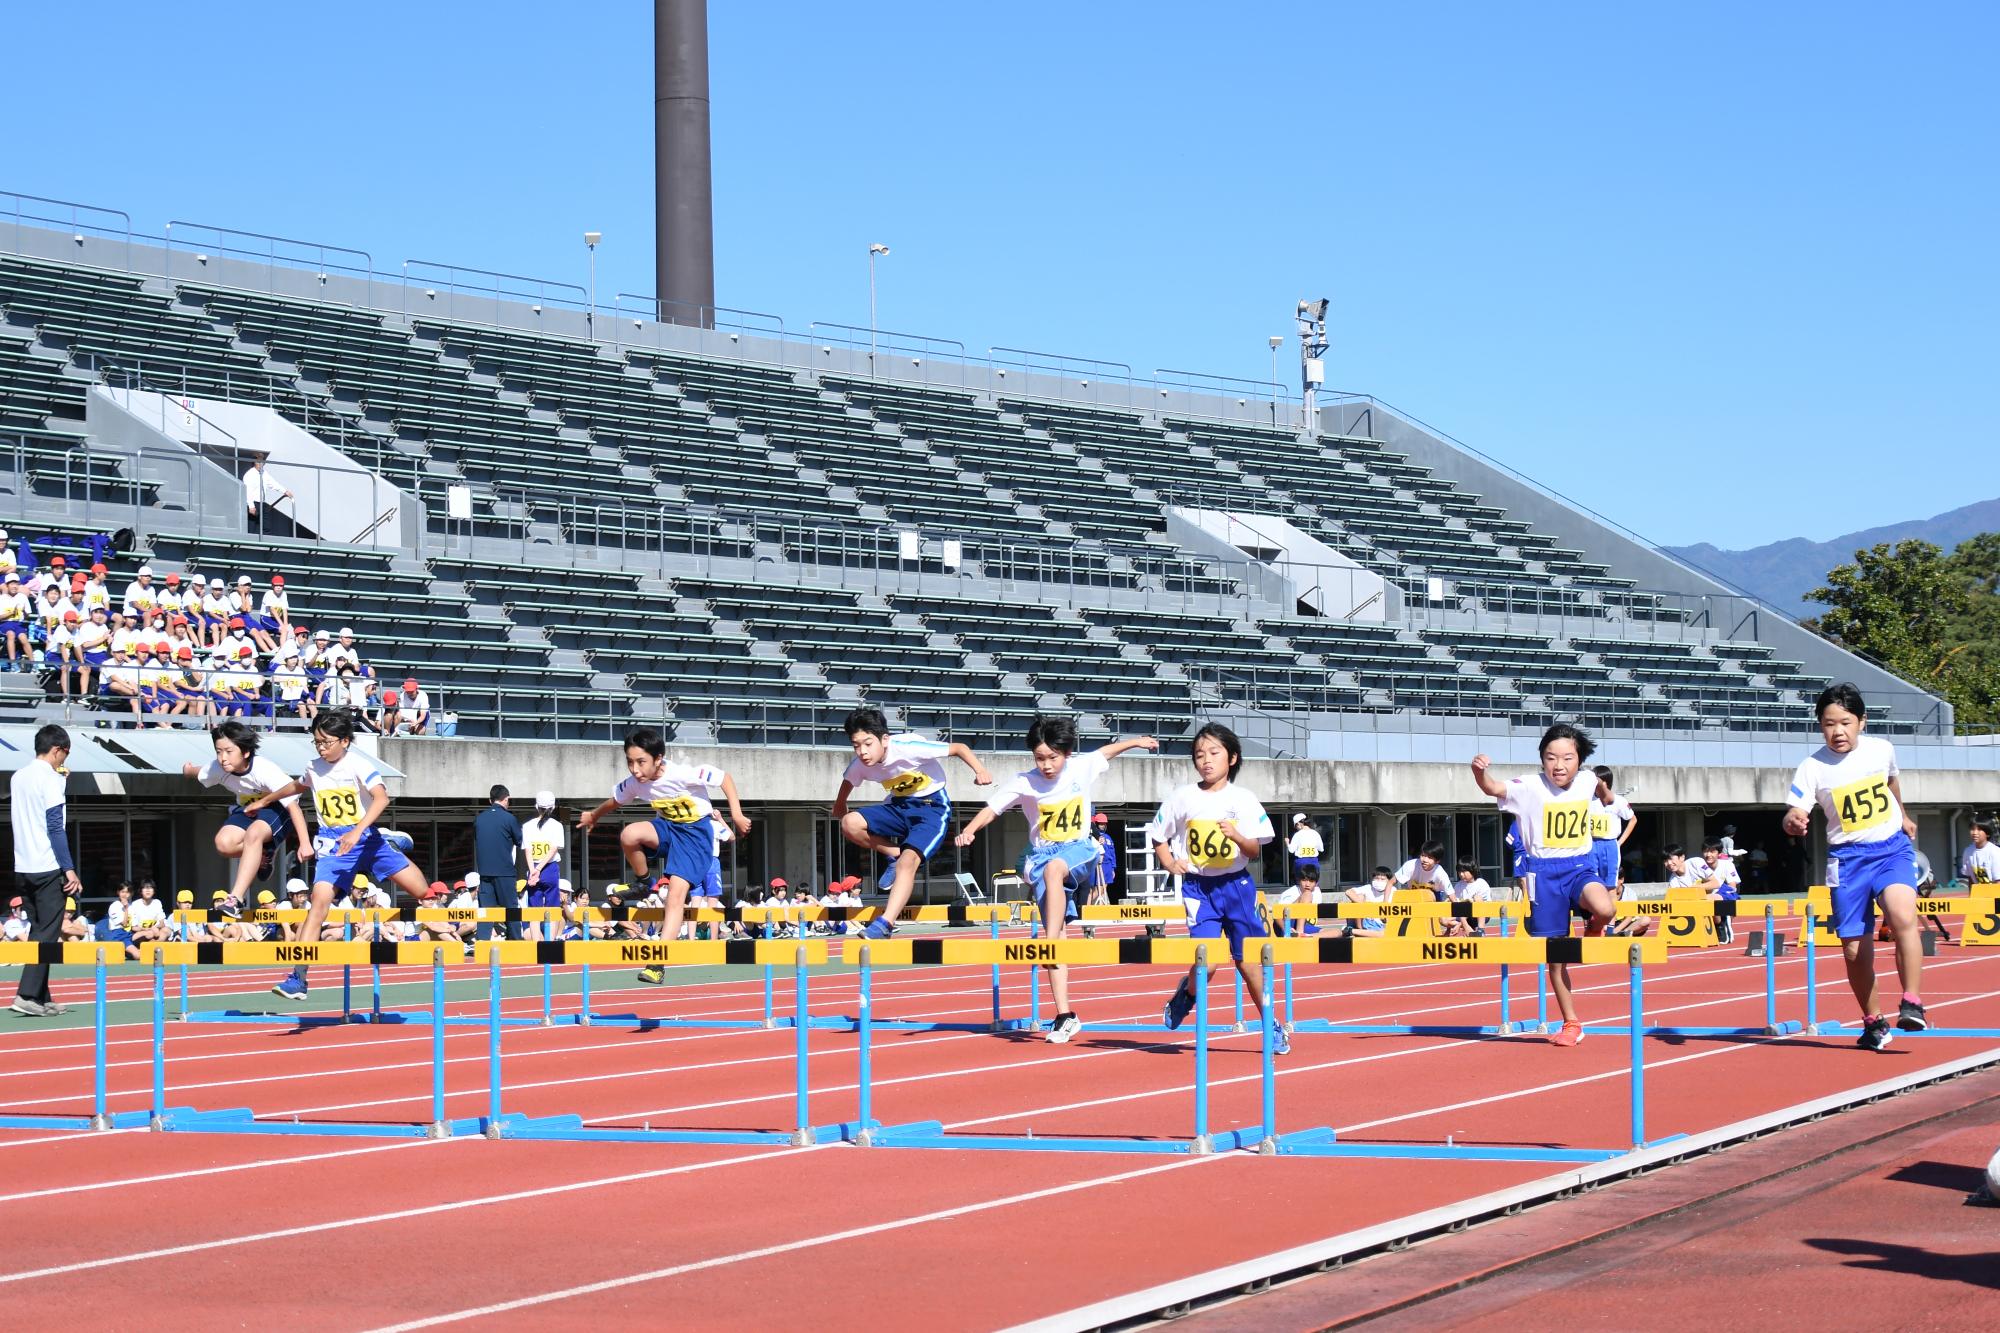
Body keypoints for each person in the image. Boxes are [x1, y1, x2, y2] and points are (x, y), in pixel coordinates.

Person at [953, 716, 1158, 1043]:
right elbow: (992, 808)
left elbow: (1106, 752)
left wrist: (1136, 742)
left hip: (1079, 850)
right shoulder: (1025, 782)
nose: (1047, 765)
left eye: (1053, 758)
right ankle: (1065, 1015)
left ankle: (1048, 938)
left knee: (1054, 874)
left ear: (1067, 753)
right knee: (1057, 938)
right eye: (1040, 758)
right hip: (1041, 856)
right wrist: (968, 831)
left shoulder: (1081, 768)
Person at [244, 709, 431, 1001]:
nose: (320, 747)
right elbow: (297, 786)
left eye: (326, 742)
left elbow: (382, 798)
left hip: (366, 838)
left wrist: (357, 831)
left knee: (422, 891)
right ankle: (299, 978)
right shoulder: (313, 766)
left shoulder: (359, 765)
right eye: (316, 741)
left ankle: (392, 846)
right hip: (333, 844)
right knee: (317, 904)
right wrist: (266, 800)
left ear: (344, 741)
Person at [1782, 682, 1926, 1051]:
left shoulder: (1882, 749)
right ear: (1820, 726)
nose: (1838, 731)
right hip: (1847, 860)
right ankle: (1873, 1020)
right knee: (1852, 949)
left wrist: (1904, 817)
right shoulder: (1813, 767)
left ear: (1862, 722)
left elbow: (1891, 782)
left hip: (1891, 849)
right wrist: (1794, 821)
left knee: (1901, 915)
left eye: (1845, 722)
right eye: (1829, 724)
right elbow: (1795, 809)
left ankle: (1912, 1002)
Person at [1470, 723, 1614, 1047]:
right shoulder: (1528, 787)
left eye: (1567, 758)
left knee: (1606, 907)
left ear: (1580, 760)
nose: (1559, 765)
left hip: (1579, 866)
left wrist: (1608, 798)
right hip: (1543, 875)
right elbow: (1492, 788)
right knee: (1556, 955)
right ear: (1542, 759)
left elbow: (1601, 789)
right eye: (1551, 758)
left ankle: (1593, 926)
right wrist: (1478, 772)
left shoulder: (1589, 779)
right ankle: (1572, 1023)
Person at [1150, 724, 1286, 1054]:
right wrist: (1170, 863)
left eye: (1214, 753)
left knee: (1249, 963)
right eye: (1199, 755)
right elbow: (1158, 837)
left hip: (1237, 886)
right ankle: (1189, 993)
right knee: (1207, 963)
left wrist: (1237, 836)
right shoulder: (1183, 797)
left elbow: (1254, 850)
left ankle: (1271, 1025)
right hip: (1198, 888)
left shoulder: (1243, 799)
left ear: (1232, 757)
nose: (1206, 761)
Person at [578, 726, 751, 985]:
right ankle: (644, 883)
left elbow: (724, 778)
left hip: (695, 836)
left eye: (640, 762)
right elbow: (614, 800)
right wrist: (594, 815)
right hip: (668, 828)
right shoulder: (637, 782)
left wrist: (736, 815)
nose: (635, 770)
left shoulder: (683, 774)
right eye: (629, 762)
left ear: (658, 759)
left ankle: (657, 962)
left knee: (675, 895)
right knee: (629, 835)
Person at [834, 708, 993, 939]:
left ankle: (885, 923)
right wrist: (840, 804)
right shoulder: (860, 764)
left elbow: (959, 748)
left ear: (884, 739)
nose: (862, 752)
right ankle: (893, 853)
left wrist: (980, 770)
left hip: (931, 808)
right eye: (856, 745)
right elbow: (848, 781)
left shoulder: (910, 749)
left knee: (906, 864)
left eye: (868, 744)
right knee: (850, 823)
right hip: (899, 806)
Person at [183, 720, 312, 904]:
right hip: (248, 809)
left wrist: (305, 843)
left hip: (279, 809)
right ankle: (264, 852)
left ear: (245, 752)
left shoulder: (263, 770)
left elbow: (293, 806)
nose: (223, 758)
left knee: (254, 834)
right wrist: (187, 769)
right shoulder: (218, 768)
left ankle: (235, 898)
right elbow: (197, 771)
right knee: (223, 844)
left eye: (228, 751)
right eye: (218, 752)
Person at [7, 725, 79, 1016]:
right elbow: (54, 826)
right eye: (65, 754)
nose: (64, 760)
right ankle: (26, 994)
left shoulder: (18, 776)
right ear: (58, 750)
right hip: (46, 865)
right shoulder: (51, 779)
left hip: (22, 865)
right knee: (47, 935)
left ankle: (40, 996)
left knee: (38, 930)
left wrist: (59, 779)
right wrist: (69, 869)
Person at [470, 785, 524, 943]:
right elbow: (520, 841)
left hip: (485, 872)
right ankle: (515, 942)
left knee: (485, 911)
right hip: (505, 872)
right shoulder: (509, 818)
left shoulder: (479, 819)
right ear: (506, 799)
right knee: (511, 910)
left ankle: (482, 942)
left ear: (490, 800)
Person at [520, 790, 566, 942]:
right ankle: (550, 943)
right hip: (549, 868)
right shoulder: (557, 825)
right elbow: (553, 849)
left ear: (536, 806)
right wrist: (540, 868)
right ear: (552, 808)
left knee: (534, 908)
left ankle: (535, 944)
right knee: (552, 907)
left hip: (532, 868)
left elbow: (528, 849)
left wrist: (533, 870)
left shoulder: (527, 826)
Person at [1588, 765, 1637, 892]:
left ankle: (1610, 911)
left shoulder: (1618, 801)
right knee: (1592, 881)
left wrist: (1619, 842)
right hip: (1591, 843)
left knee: (1610, 883)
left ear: (1605, 782)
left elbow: (1633, 819)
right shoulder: (1587, 800)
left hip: (1610, 844)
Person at [1700, 838, 1742, 943]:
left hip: (1725, 894)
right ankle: (1718, 924)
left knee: (1713, 898)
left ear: (1719, 853)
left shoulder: (1727, 864)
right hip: (1706, 896)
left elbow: (1733, 886)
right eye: (1706, 851)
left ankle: (1722, 924)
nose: (1708, 854)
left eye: (1712, 851)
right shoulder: (1698, 866)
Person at [244, 452, 295, 530]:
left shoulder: (264, 473)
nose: (261, 464)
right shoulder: (249, 474)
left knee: (266, 527)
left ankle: (265, 540)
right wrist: (251, 506)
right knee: (251, 527)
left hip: (262, 503)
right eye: (258, 462)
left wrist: (285, 491)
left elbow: (273, 484)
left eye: (262, 462)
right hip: (253, 504)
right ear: (254, 462)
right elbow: (247, 491)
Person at [1961, 817, 2000, 888]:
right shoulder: (1968, 851)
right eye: (1972, 829)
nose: (1975, 833)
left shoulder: (1995, 852)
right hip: (1979, 895)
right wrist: (1972, 896)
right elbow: (1970, 878)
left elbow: (1998, 881)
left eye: (1979, 830)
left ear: (1987, 834)